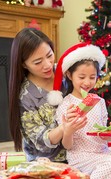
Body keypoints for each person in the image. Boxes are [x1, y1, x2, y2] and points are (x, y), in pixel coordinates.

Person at [52, 43, 111, 179]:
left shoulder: (100, 102)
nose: (87, 82)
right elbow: (67, 146)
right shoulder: (66, 105)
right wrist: (68, 130)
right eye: (81, 77)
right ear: (70, 75)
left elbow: (103, 137)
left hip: (101, 152)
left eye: (92, 77)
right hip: (80, 156)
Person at [8, 28, 85, 162]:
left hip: (80, 153)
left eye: (49, 55)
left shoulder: (65, 72)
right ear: (24, 65)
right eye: (38, 62)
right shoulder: (25, 96)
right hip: (47, 161)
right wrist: (65, 127)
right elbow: (40, 142)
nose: (48, 65)